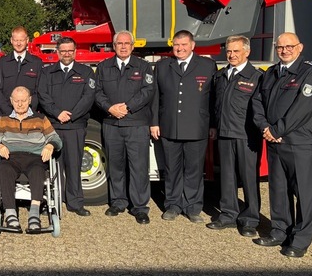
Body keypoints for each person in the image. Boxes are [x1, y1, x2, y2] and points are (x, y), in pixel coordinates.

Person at [253, 32, 312, 258]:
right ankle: (279, 231)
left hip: (299, 143)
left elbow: (302, 109)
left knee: (303, 193)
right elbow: (257, 101)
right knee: (279, 190)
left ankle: (300, 240)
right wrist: (265, 127)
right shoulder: (272, 73)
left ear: (300, 47)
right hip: (275, 142)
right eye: (280, 47)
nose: (284, 50)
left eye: (289, 46)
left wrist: (276, 130)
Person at [150, 30, 216, 223]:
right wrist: (154, 122)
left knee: (194, 169)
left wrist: (213, 124)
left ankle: (193, 207)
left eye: (184, 45)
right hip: (169, 126)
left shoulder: (207, 65)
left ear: (193, 45)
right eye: (176, 45)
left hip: (197, 127)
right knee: (172, 169)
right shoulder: (163, 66)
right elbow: (156, 97)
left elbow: (213, 99)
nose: (179, 48)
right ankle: (172, 205)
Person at [94, 30, 154, 224]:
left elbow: (148, 91)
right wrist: (110, 108)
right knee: (116, 165)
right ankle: (118, 202)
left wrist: (127, 107)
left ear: (133, 46)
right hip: (112, 123)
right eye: (119, 43)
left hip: (136, 124)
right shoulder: (104, 67)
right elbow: (97, 92)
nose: (123, 46)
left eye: (127, 43)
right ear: (114, 45)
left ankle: (139, 207)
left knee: (138, 167)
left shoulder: (143, 66)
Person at [206, 35, 263, 237]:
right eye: (229, 51)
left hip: (247, 136)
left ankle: (250, 219)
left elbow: (261, 108)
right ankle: (228, 215)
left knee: (248, 178)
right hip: (224, 133)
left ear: (247, 52)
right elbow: (215, 104)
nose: (231, 55)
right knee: (227, 178)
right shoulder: (221, 76)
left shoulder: (256, 77)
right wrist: (213, 126)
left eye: (236, 51)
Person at [0, 86, 62, 232]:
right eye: (16, 101)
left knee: (38, 171)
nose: (20, 104)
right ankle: (10, 213)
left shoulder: (40, 119)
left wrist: (50, 146)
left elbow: (56, 138)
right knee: (5, 171)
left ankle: (34, 214)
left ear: (30, 100)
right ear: (11, 101)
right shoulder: (4, 120)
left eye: (23, 100)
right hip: (11, 157)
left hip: (34, 157)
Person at [37, 37, 95, 217]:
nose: (67, 54)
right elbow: (43, 95)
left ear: (75, 51)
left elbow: (88, 97)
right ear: (57, 52)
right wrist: (57, 113)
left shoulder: (86, 72)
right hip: (53, 126)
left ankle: (75, 203)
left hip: (75, 126)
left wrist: (71, 115)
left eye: (70, 50)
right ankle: (53, 202)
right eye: (63, 51)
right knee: (53, 166)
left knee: (74, 164)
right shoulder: (47, 73)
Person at [0, 26, 43, 115]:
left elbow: (39, 90)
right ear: (11, 40)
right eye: (16, 40)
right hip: (6, 115)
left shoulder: (36, 63)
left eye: (21, 40)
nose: (18, 43)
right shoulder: (2, 62)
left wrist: (29, 111)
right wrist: (9, 111)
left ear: (27, 40)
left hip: (29, 114)